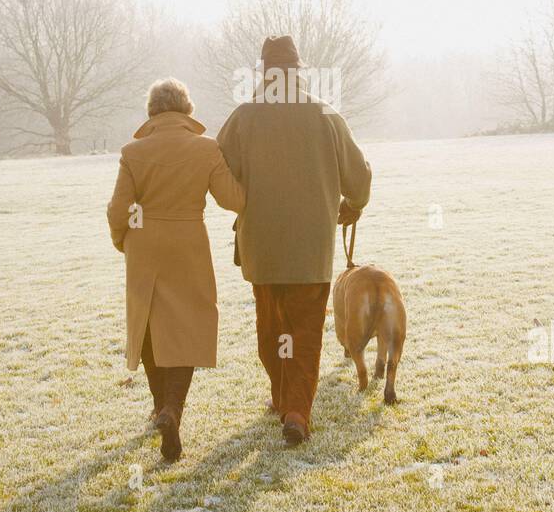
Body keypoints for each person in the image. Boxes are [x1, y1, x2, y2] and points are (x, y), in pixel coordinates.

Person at [217, 36, 372, 446]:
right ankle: (297, 411)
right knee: (305, 331)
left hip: (262, 247)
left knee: (271, 329)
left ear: (264, 73)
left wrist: (242, 204)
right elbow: (359, 175)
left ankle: (282, 398)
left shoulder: (244, 117)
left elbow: (218, 172)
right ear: (299, 71)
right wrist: (353, 204)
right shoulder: (325, 115)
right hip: (310, 250)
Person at [107, 78, 245, 461]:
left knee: (150, 323)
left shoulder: (133, 152)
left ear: (151, 112)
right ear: (187, 111)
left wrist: (123, 241)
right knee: (187, 325)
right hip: (189, 244)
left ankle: (158, 407)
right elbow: (232, 199)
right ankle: (173, 408)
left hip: (144, 244)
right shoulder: (205, 148)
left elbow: (119, 210)